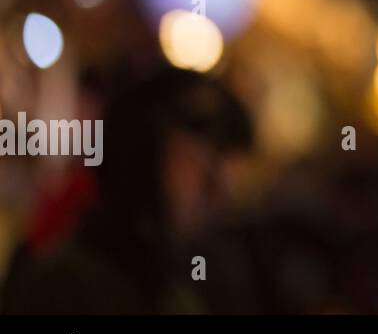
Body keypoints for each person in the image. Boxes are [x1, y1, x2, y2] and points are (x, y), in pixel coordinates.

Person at [1, 64, 253, 314]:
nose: (213, 195)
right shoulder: (69, 282)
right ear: (143, 159)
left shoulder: (184, 282)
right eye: (194, 166)